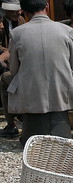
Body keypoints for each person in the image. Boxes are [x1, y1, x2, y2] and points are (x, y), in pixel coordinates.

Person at [7, 0, 73, 145]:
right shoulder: (67, 30)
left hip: (30, 95)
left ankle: (11, 125)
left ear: (23, 11)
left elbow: (13, 69)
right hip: (62, 94)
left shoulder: (16, 33)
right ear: (47, 7)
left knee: (6, 79)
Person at [0, 0, 24, 138]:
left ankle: (17, 115)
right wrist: (6, 52)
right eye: (14, 10)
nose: (18, 13)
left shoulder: (20, 20)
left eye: (19, 10)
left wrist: (10, 52)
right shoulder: (1, 20)